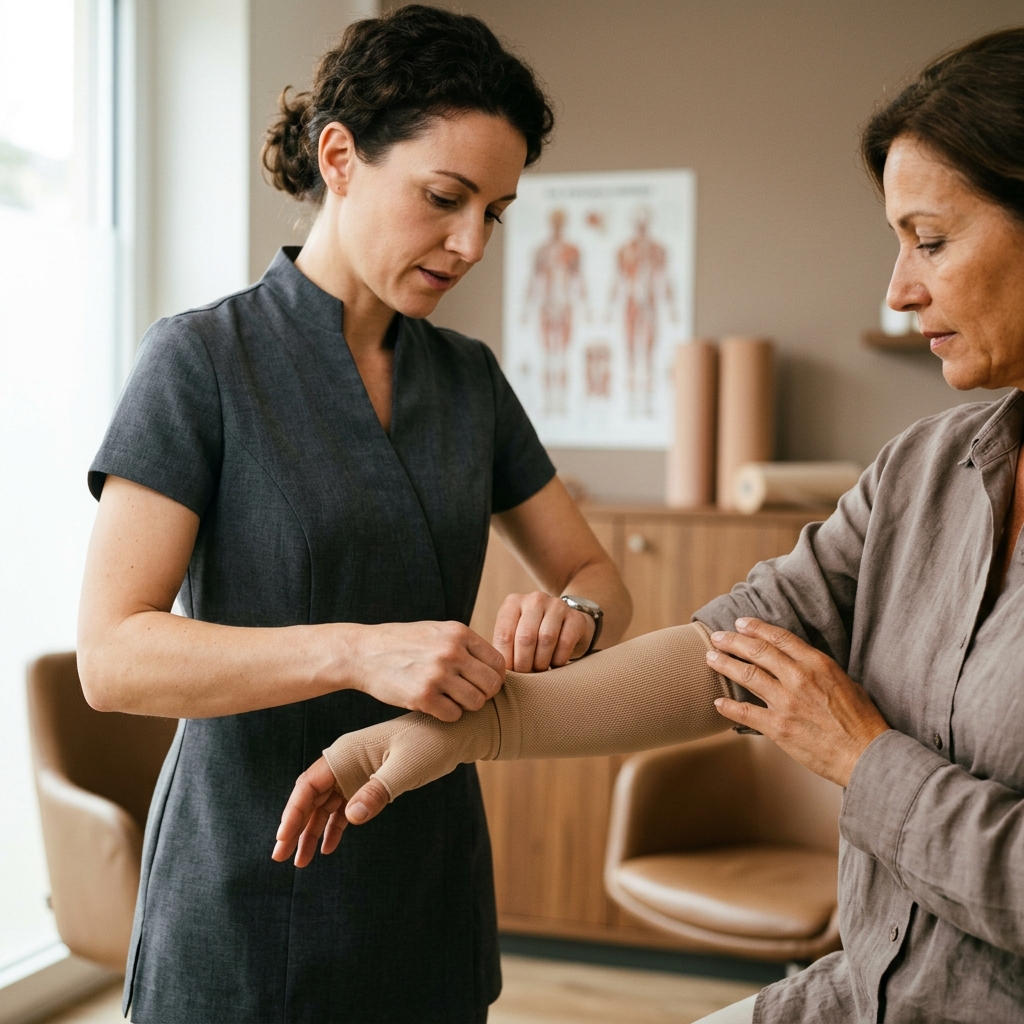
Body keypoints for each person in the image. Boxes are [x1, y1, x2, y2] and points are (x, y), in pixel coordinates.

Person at [276, 27, 1024, 1024]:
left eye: (928, 238)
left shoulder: (464, 386)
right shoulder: (924, 471)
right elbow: (736, 644)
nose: (896, 289)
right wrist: (469, 734)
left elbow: (593, 576)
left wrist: (861, 759)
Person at [76, 6, 631, 1022]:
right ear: (339, 156)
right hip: (245, 873)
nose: (469, 243)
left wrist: (577, 618)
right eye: (444, 197)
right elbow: (112, 658)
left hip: (426, 865)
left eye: (493, 212)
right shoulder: (200, 361)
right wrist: (352, 651)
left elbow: (596, 578)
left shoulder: (469, 381)